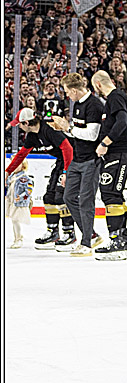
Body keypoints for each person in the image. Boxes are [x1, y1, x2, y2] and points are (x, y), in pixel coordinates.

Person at [50, 73, 105, 256]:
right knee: (69, 197)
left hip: (91, 160)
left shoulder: (94, 105)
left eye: (67, 92)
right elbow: (79, 133)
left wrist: (68, 128)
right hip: (77, 159)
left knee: (86, 201)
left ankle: (86, 243)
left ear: (74, 90)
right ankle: (92, 235)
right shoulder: (78, 105)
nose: (67, 95)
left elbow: (92, 135)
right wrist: (64, 129)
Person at [5, 107, 75, 248]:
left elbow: (68, 148)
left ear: (26, 123)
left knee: (61, 196)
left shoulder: (48, 129)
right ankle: (53, 231)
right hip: (61, 161)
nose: (19, 127)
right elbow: (21, 155)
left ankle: (69, 233)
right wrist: (7, 172)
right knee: (49, 197)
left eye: (20, 124)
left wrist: (67, 172)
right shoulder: (32, 136)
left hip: (74, 160)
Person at [90, 70, 127, 261]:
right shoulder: (117, 98)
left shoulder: (115, 97)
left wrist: (105, 143)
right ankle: (121, 240)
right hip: (118, 152)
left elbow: (122, 122)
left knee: (110, 193)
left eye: (96, 88)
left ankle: (117, 242)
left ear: (99, 84)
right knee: (113, 193)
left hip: (120, 152)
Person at [5, 159, 33, 249]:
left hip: (19, 203)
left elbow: (29, 190)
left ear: (23, 166)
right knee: (14, 220)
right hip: (11, 202)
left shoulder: (24, 177)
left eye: (17, 164)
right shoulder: (11, 176)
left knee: (15, 220)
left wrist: (21, 197)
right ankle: (17, 238)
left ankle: (18, 239)